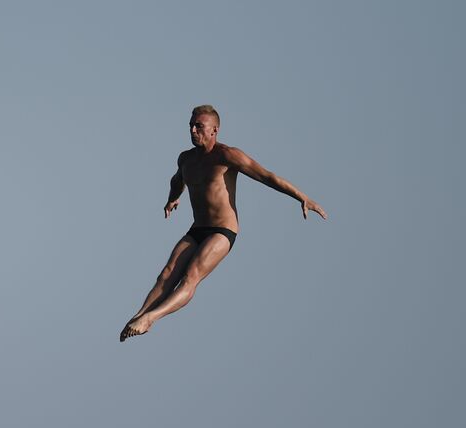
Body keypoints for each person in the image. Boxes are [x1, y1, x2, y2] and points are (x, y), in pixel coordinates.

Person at [119, 105, 327, 341]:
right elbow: (177, 180)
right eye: (191, 125)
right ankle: (137, 316)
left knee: (191, 275)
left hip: (222, 230)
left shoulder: (227, 155)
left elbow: (268, 177)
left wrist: (302, 197)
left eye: (199, 126)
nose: (193, 130)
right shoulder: (186, 158)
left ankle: (150, 319)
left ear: (214, 130)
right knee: (166, 275)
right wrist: (172, 198)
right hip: (197, 228)